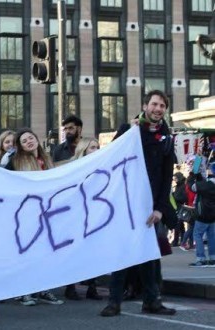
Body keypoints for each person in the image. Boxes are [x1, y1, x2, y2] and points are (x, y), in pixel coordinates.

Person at [100, 89, 177, 317]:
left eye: (162, 106)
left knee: (150, 255)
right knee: (123, 252)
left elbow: (166, 176)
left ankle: (152, 300)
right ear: (145, 106)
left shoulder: (166, 137)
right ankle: (114, 301)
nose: (158, 109)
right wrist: (129, 134)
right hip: (126, 202)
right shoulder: (129, 129)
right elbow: (111, 159)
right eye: (154, 104)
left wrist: (160, 209)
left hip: (150, 205)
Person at [7, 128, 63, 306]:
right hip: (26, 213)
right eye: (24, 141)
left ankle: (43, 288)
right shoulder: (15, 162)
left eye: (31, 138)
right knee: (27, 252)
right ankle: (23, 291)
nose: (29, 141)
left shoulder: (46, 159)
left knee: (44, 253)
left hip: (46, 213)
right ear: (20, 147)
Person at [62, 137, 103, 301]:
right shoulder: (74, 167)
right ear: (84, 149)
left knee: (94, 251)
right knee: (75, 251)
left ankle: (92, 287)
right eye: (92, 147)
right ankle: (70, 286)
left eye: (98, 147)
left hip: (94, 213)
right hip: (76, 215)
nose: (96, 150)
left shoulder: (101, 165)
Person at [187, 171, 215, 267]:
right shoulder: (207, 184)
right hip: (213, 215)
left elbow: (191, 186)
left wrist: (192, 175)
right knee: (211, 237)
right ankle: (213, 258)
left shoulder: (206, 185)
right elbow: (201, 184)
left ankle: (201, 259)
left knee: (197, 235)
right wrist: (199, 177)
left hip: (203, 214)